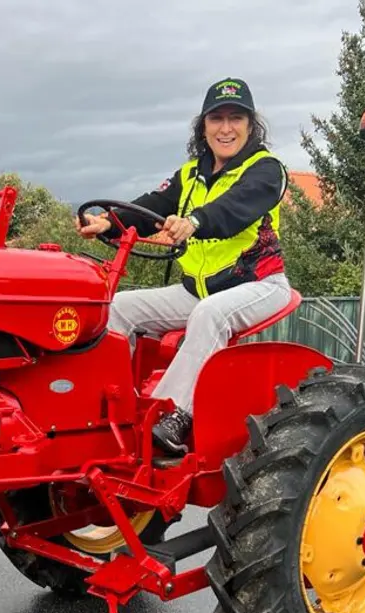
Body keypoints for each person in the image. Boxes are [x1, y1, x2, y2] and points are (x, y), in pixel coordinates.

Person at [78, 77, 293, 455]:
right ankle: (105, 408)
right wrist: (110, 222)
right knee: (116, 308)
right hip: (196, 291)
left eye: (235, 118)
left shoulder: (266, 170)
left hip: (259, 285)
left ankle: (172, 415)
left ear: (250, 125)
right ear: (204, 126)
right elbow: (153, 205)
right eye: (217, 119)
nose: (226, 128)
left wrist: (193, 221)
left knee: (210, 315)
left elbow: (235, 209)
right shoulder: (190, 174)